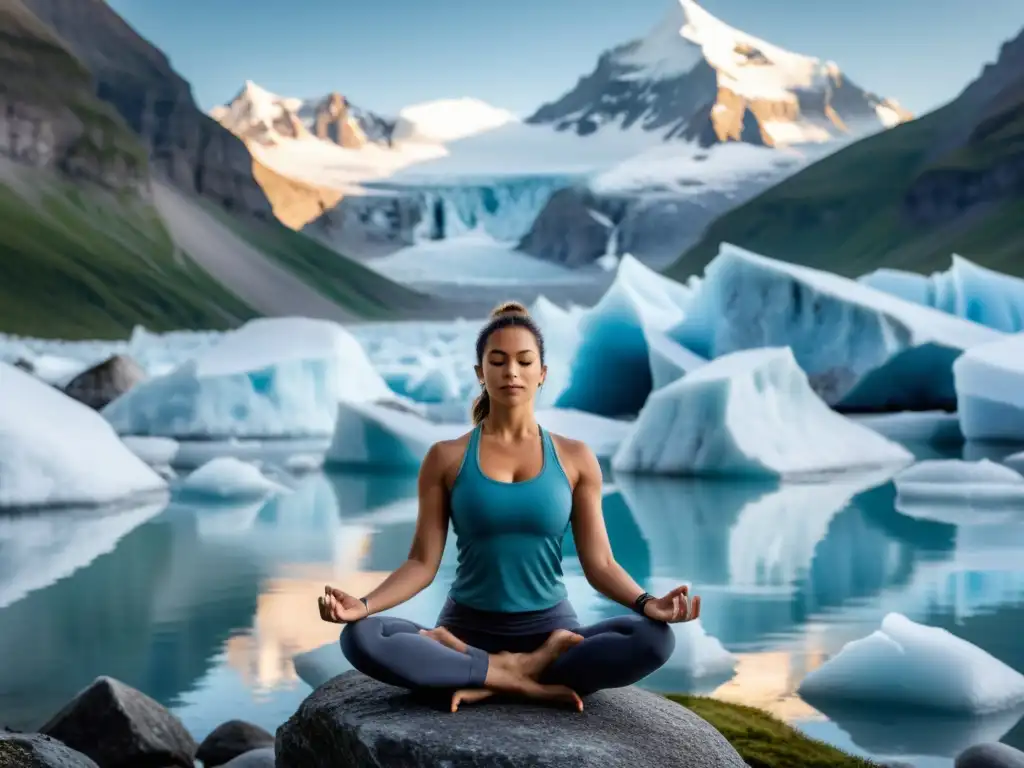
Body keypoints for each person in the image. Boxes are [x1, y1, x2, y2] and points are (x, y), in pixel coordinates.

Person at [318, 301, 702, 713]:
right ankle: (521, 675)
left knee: (655, 638)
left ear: (542, 374)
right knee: (360, 636)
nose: (512, 372)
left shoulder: (575, 457)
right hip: (464, 632)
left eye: (524, 361)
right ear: (481, 373)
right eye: (497, 361)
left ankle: (479, 672)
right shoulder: (445, 457)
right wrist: (364, 605)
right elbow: (421, 564)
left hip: (552, 633)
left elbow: (601, 564)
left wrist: (649, 604)